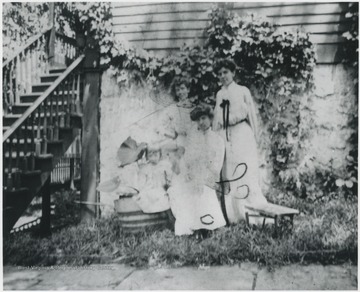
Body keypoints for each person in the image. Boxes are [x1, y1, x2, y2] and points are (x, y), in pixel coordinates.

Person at [212, 59, 268, 224]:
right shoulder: (219, 94)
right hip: (226, 135)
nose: (223, 76)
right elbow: (216, 118)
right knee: (230, 172)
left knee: (245, 170)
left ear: (233, 73)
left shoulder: (243, 91)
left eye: (226, 72)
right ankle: (234, 215)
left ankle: (251, 211)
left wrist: (255, 137)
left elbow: (251, 114)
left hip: (242, 133)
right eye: (220, 74)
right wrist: (215, 140)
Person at [167, 104, 226, 237]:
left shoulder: (217, 140)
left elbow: (217, 166)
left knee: (202, 189)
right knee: (183, 189)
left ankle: (208, 226)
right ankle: (195, 227)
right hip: (195, 175)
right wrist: (190, 173)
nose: (201, 122)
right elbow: (188, 160)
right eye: (198, 120)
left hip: (210, 177)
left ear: (210, 119)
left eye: (204, 118)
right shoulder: (193, 139)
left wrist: (204, 176)